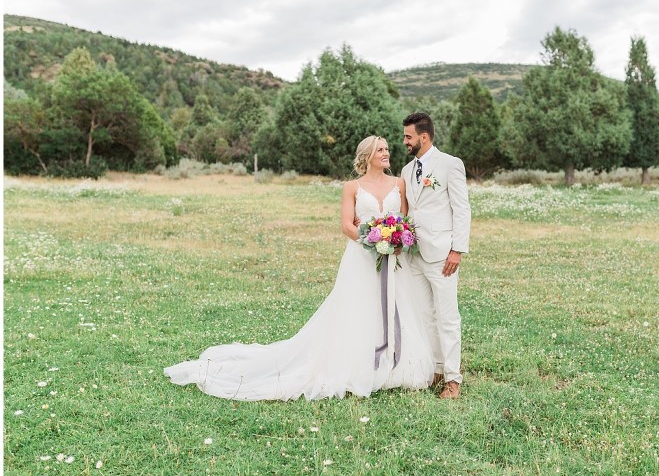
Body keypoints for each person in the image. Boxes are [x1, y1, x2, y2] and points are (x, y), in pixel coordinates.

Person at [164, 136, 435, 401]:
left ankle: (397, 366)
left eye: (387, 149)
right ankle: (358, 363)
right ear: (367, 157)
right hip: (362, 258)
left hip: (393, 259)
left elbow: (405, 220)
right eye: (380, 150)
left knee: (395, 304)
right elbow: (346, 225)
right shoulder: (352, 186)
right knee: (359, 306)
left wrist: (397, 240)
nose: (386, 153)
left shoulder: (399, 183)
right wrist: (373, 240)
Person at [400, 112, 471, 399]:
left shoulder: (450, 164)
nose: (404, 141)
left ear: (424, 137)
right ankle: (435, 369)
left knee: (447, 317)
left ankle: (453, 379)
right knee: (425, 316)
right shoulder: (407, 170)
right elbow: (408, 211)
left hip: (442, 254)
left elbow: (462, 208)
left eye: (408, 137)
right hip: (414, 254)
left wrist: (457, 249)